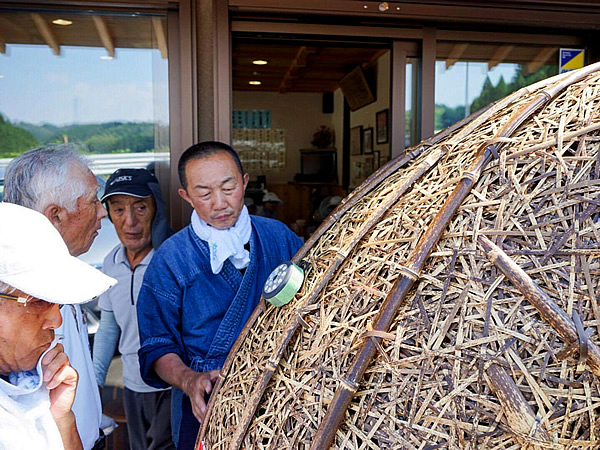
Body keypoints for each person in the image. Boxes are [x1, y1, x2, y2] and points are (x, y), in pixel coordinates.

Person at [137, 141, 303, 448]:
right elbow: (156, 345)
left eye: (228, 188)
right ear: (186, 196)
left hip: (279, 393)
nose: (220, 203)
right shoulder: (170, 260)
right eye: (204, 193)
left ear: (244, 182)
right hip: (207, 399)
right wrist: (188, 379)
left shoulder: (278, 237)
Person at [4, 145, 108, 450]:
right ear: (55, 215)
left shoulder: (67, 274)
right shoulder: (15, 292)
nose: (103, 211)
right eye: (92, 201)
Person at [92, 168, 174, 450]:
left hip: (172, 387)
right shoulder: (111, 262)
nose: (130, 221)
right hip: (132, 385)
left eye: (140, 207)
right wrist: (94, 383)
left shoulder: (172, 260)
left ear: (157, 208)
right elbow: (108, 326)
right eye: (118, 209)